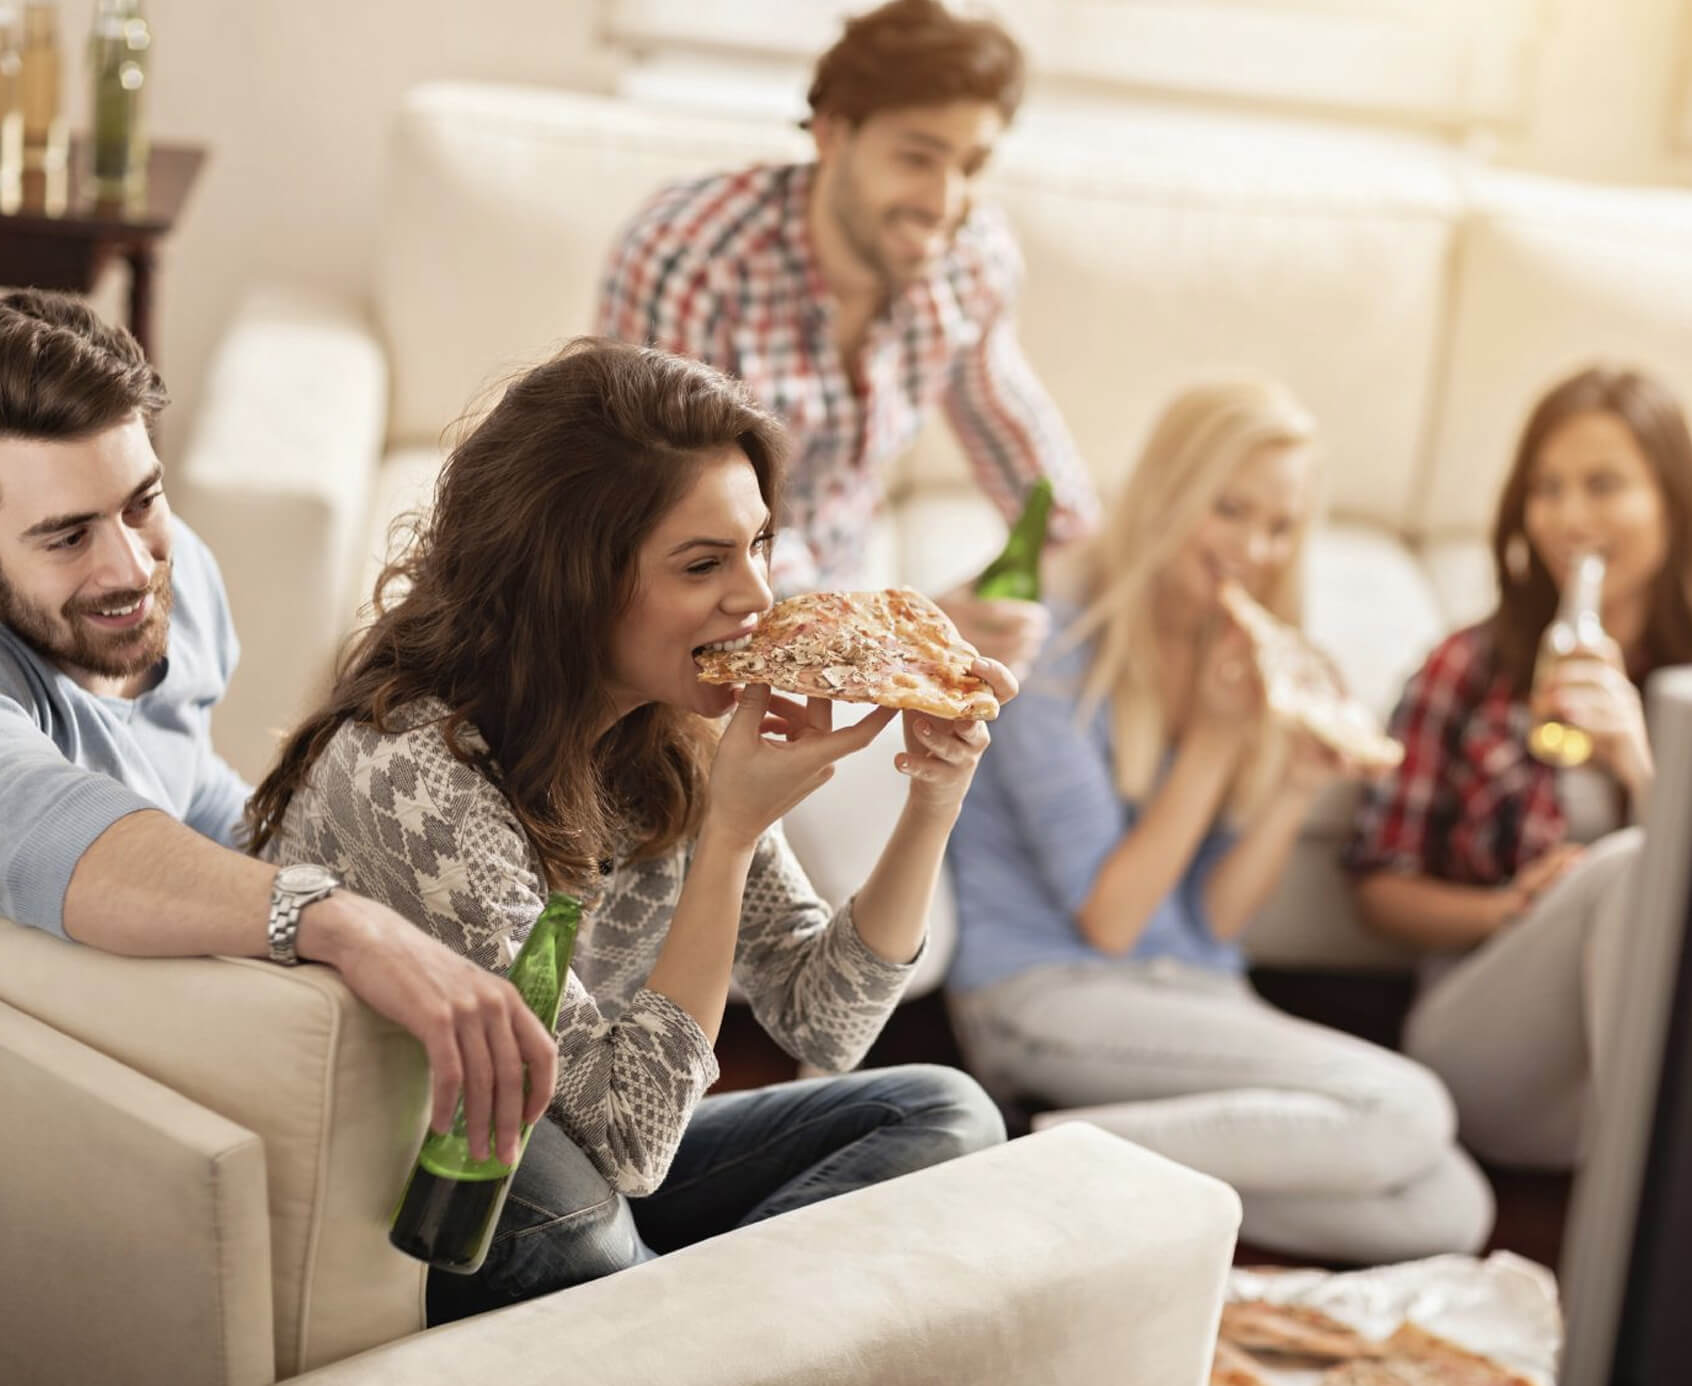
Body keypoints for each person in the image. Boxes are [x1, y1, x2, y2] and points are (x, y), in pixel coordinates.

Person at [245, 337, 1014, 1322]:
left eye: (758, 547)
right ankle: (699, 1322)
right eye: (703, 564)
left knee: (944, 1115)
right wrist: (729, 837)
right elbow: (629, 1140)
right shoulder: (415, 777)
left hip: (590, 1130)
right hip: (430, 1165)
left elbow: (825, 1020)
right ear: (570, 580)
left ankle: (682, 1330)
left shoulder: (669, 728)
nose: (756, 598)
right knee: (583, 1226)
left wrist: (932, 800)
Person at [943, 378, 1494, 1264]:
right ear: (1168, 492)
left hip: (1191, 988)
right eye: (1229, 510)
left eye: (1279, 527)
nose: (1253, 548)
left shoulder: (1230, 648)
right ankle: (1003, 1163)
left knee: (1449, 1208)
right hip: (1050, 993)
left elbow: (1217, 921)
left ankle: (1072, 1168)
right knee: (1408, 1109)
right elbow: (1111, 920)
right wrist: (1211, 744)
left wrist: (1291, 789)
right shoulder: (1049, 642)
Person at [0, 288, 556, 1157]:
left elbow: (180, 777)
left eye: (141, 502)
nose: (132, 565)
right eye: (66, 538)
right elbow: (49, 827)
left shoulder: (175, 586)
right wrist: (340, 920)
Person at [596, 0, 1098, 677]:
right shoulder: (691, 257)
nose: (944, 200)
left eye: (971, 166)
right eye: (917, 157)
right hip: (677, 607)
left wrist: (1091, 556)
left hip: (837, 605)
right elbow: (675, 514)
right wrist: (889, 630)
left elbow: (1010, 425)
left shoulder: (972, 257)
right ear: (833, 134)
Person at [1346, 365, 1692, 1170]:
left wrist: (1642, 769)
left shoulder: (1681, 692)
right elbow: (1377, 884)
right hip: (1485, 1040)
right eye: (1548, 488)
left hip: (1631, 1082)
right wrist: (1514, 910)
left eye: (1604, 485)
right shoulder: (1467, 667)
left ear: (1672, 500)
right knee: (1625, 867)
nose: (1571, 517)